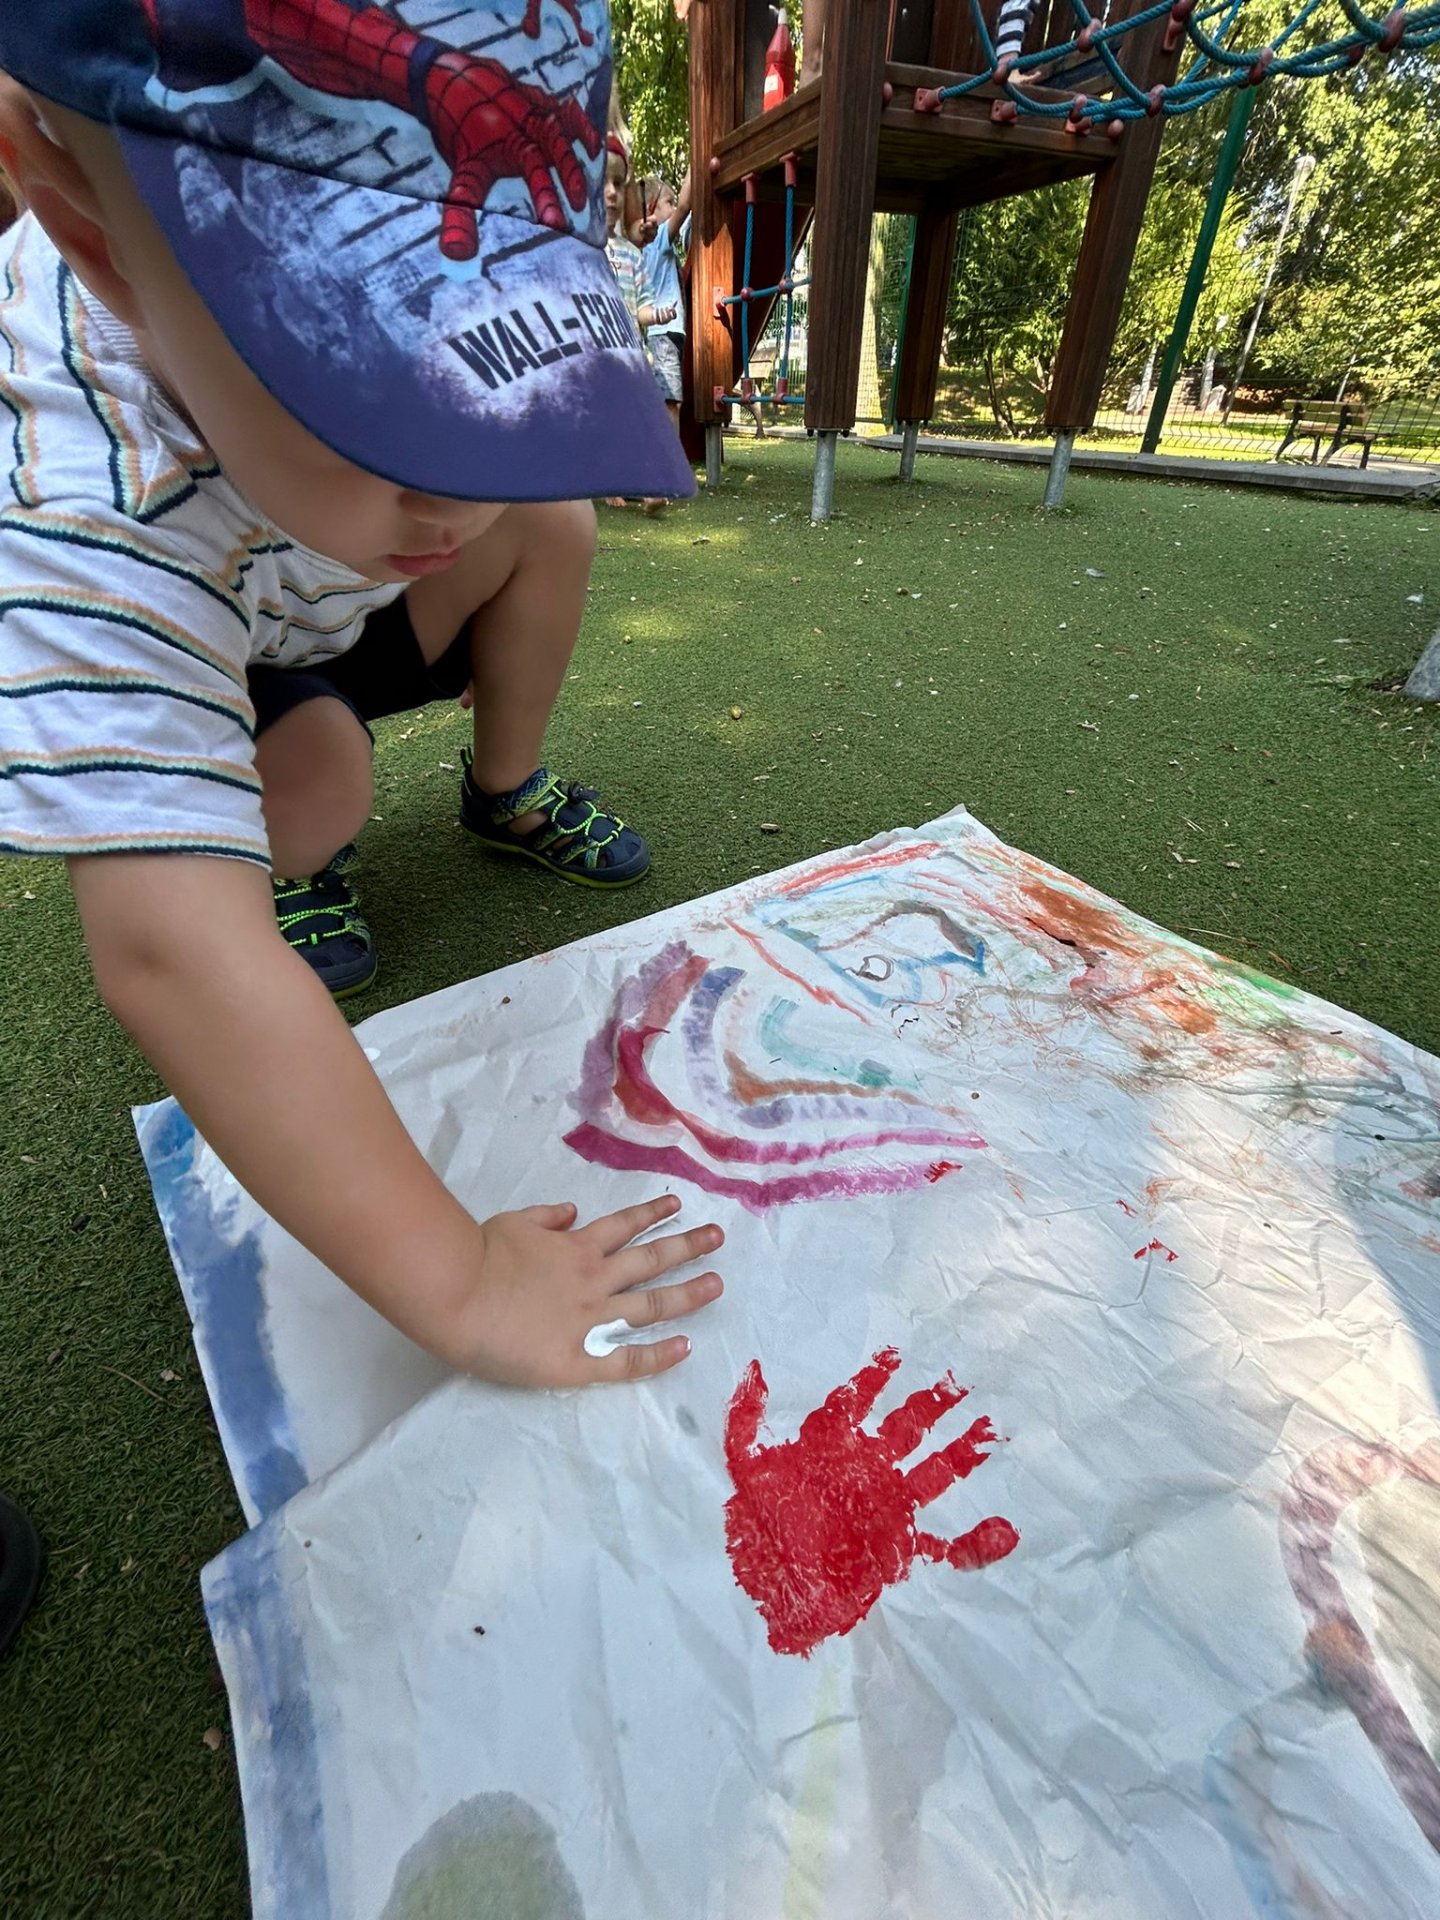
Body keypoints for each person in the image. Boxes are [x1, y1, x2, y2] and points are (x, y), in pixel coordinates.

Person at [0, 1, 724, 1390]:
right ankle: (297, 856)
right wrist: (465, 1284)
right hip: (236, 654)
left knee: (549, 515)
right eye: (364, 394)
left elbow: (464, 482)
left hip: (329, 583)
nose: (455, 478)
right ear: (88, 234)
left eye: (500, 369)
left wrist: (469, 449)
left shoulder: (408, 493)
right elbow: (167, 952)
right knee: (321, 781)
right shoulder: (81, 486)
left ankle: (503, 791)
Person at [601, 135, 675, 511]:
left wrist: (657, 314)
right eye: (602, 183)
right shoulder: (583, 249)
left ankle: (649, 487)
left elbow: (642, 306)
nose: (611, 193)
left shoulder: (632, 256)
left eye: (618, 184)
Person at [629, 168, 692, 435]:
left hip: (661, 333)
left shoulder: (641, 249)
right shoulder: (659, 240)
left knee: (666, 399)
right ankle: (671, 457)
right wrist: (694, 164)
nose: (674, 207)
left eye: (674, 202)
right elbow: (687, 205)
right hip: (663, 333)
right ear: (651, 210)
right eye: (669, 202)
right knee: (670, 403)